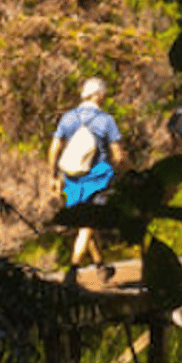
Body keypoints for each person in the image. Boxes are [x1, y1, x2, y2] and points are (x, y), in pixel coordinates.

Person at [50, 77, 124, 267]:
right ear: (97, 95)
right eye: (104, 94)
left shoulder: (67, 118)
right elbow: (118, 155)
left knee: (86, 223)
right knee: (88, 224)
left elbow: (54, 149)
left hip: (72, 178)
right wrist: (126, 171)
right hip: (98, 179)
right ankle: (73, 269)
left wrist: (54, 176)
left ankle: (100, 264)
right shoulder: (106, 120)